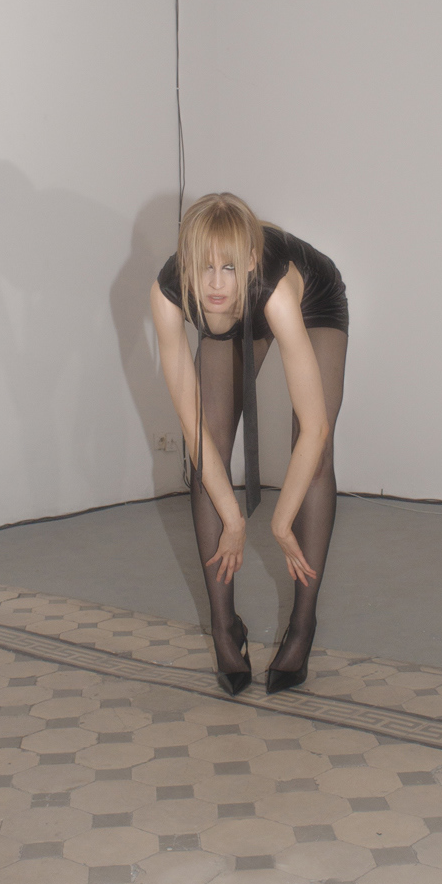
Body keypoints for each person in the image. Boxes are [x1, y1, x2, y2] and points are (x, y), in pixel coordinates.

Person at [151, 193, 348, 696]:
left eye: (229, 268)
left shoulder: (276, 292)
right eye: (204, 267)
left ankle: (302, 627)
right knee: (209, 450)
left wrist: (280, 521)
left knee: (315, 454)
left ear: (252, 262)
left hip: (313, 299)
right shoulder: (169, 293)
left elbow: (314, 427)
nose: (216, 284)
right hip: (240, 313)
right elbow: (194, 431)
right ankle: (224, 629)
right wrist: (234, 521)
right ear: (186, 264)